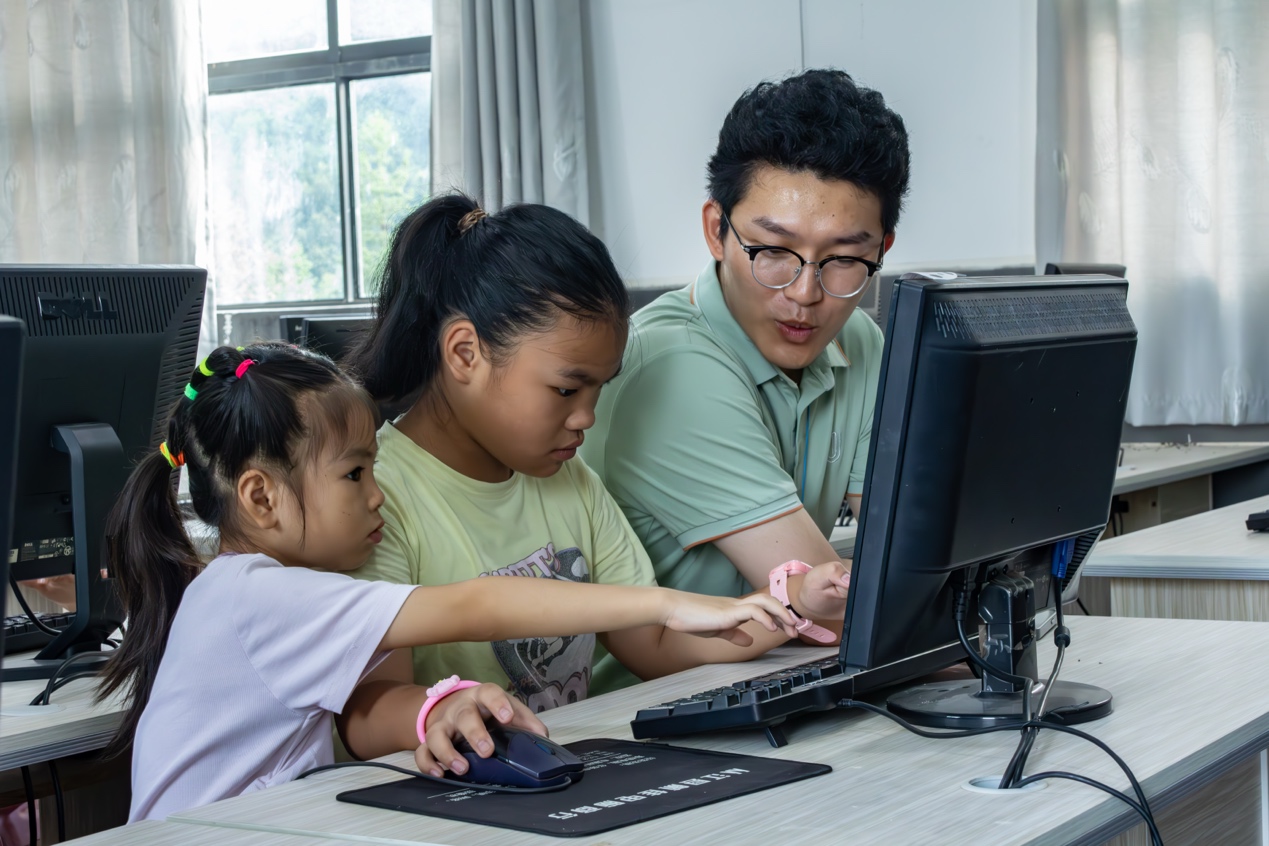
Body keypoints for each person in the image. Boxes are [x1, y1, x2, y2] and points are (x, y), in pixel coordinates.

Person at [101, 343, 804, 822]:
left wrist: (438, 704)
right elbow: (477, 603)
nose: (377, 495)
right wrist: (669, 604)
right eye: (354, 473)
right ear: (261, 497)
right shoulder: (258, 596)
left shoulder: (267, 589)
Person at [343, 194, 851, 720]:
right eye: (566, 390)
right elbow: (364, 708)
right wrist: (439, 714)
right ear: (465, 354)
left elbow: (655, 644)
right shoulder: (372, 497)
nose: (586, 418)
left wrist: (794, 603)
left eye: (598, 390)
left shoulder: (570, 480)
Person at [579, 69, 911, 691]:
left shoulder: (857, 339)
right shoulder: (669, 365)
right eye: (773, 251)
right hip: (646, 710)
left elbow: (910, 543)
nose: (805, 294)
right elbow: (845, 611)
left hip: (789, 680)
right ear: (716, 230)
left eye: (844, 259)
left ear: (881, 250)